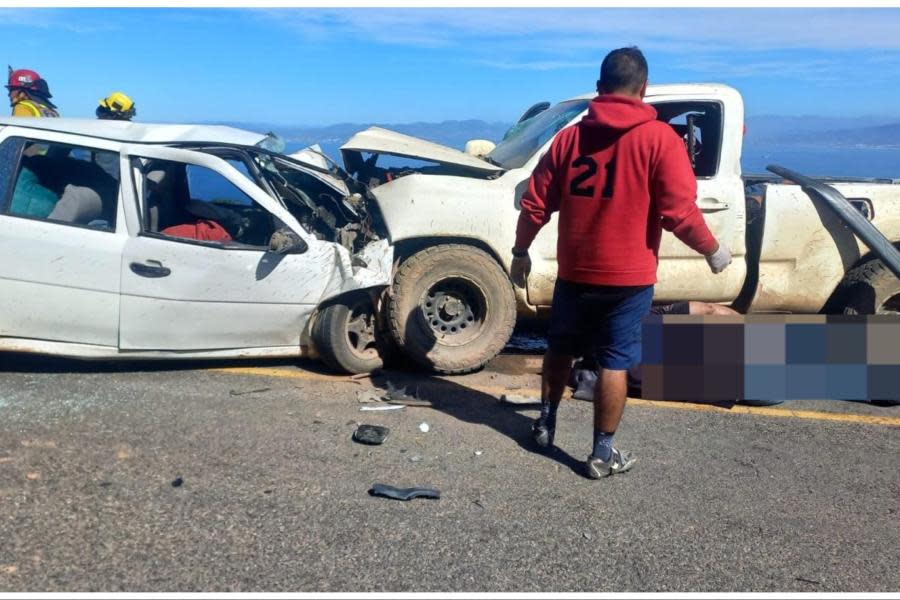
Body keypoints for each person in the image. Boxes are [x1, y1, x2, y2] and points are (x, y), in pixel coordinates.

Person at [510, 47, 732, 479]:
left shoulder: (569, 140)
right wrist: (711, 249)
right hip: (628, 281)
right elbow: (678, 212)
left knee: (560, 348)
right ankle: (601, 454)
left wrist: (521, 252)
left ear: (599, 88)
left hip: (574, 273)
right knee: (614, 361)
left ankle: (544, 423)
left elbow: (536, 204)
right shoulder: (660, 140)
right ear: (643, 90)